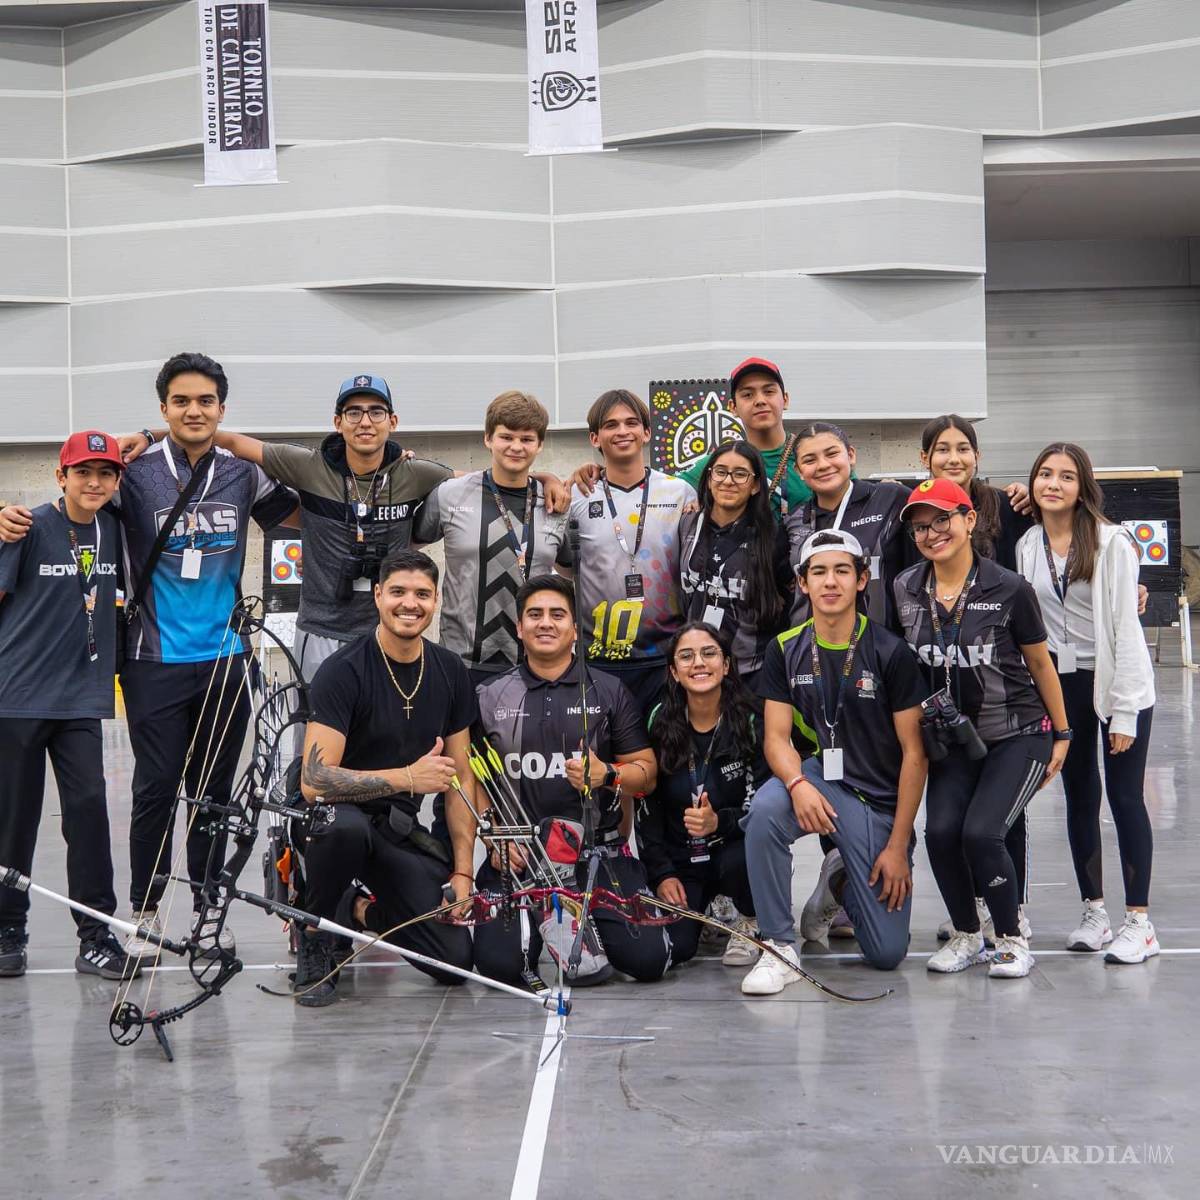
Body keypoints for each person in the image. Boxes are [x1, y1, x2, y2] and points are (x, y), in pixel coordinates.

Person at [0, 354, 297, 957]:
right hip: (151, 657)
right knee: (156, 788)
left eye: (206, 401)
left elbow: (297, 514)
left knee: (215, 792)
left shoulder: (242, 472)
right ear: (163, 408)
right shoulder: (132, 472)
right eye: (181, 402)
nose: (194, 411)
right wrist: (10, 518)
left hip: (225, 657)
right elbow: (73, 509)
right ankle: (148, 908)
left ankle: (211, 909)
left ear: (221, 409)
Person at [894, 478, 1072, 979]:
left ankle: (1011, 938)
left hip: (1018, 732)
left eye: (942, 520)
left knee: (982, 832)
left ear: (970, 520)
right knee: (941, 832)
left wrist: (1062, 733)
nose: (932, 534)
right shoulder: (905, 588)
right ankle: (968, 934)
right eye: (920, 527)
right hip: (953, 739)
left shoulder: (1009, 587)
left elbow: (1040, 665)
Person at [739, 530, 928, 994]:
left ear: (862, 579)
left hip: (877, 801)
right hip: (822, 779)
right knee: (765, 811)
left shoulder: (890, 652)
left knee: (885, 954)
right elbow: (777, 739)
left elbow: (915, 754)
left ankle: (837, 882)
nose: (830, 581)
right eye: (818, 571)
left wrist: (898, 845)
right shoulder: (784, 648)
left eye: (842, 570)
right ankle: (779, 946)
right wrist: (798, 783)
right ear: (802, 583)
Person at [295, 551, 478, 1007]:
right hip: (334, 819)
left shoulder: (451, 671)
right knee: (344, 829)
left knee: (453, 961)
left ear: (436, 602)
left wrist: (463, 870)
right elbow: (314, 781)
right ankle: (317, 933)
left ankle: (357, 910)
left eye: (422, 594)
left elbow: (461, 779)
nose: (409, 604)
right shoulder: (344, 670)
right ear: (378, 596)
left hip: (394, 829)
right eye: (397, 592)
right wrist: (408, 778)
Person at [472, 575, 667, 989]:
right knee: (500, 968)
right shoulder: (490, 697)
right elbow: (472, 780)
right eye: (535, 615)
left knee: (648, 962)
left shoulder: (610, 690)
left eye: (557, 615)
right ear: (520, 628)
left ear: (575, 629)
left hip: (599, 855)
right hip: (519, 858)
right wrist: (495, 840)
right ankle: (544, 922)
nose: (546, 623)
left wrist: (608, 774)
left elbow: (646, 773)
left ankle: (588, 918)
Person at [0, 433, 139, 981]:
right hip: (17, 696)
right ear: (61, 477)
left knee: (88, 815)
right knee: (14, 822)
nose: (94, 483)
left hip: (82, 697)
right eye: (83, 472)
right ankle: (8, 928)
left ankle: (96, 933)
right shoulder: (26, 527)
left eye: (105, 473)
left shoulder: (116, 530)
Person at [1017, 443, 1158, 964]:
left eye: (1066, 476)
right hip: (1065, 686)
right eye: (1045, 474)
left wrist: (1123, 712)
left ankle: (1139, 922)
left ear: (1083, 488)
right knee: (1079, 795)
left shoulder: (1111, 542)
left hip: (1118, 681)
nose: (1053, 484)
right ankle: (1094, 911)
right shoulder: (1029, 544)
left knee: (1124, 800)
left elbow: (1125, 628)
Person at [921, 414, 1035, 943]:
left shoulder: (1008, 508)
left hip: (1005, 675)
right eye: (941, 449)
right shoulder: (920, 510)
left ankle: (1013, 904)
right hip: (948, 682)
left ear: (978, 456)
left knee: (1004, 811)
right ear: (925, 459)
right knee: (956, 813)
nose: (953, 457)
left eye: (962, 448)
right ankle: (973, 910)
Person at [414, 391, 568, 686]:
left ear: (540, 445)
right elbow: (406, 542)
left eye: (526, 439)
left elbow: (572, 570)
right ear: (488, 439)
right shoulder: (450, 494)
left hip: (534, 665)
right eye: (506, 437)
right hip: (460, 662)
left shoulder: (556, 505)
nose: (516, 447)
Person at [639, 622, 768, 969]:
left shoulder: (752, 719)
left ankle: (750, 918)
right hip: (685, 859)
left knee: (741, 858)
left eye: (709, 653)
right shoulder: (657, 720)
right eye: (687, 656)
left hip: (735, 849)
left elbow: (764, 805)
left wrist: (718, 822)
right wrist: (662, 873)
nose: (698, 663)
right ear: (674, 671)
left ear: (726, 665)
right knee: (677, 949)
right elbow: (646, 804)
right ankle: (710, 906)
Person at [560, 389, 695, 716]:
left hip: (665, 657)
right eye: (611, 425)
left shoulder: (678, 492)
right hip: (599, 658)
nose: (622, 431)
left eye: (632, 423)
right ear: (595, 437)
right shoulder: (576, 497)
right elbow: (565, 568)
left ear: (646, 432)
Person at [572, 357, 812, 521]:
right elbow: (652, 489)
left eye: (769, 391)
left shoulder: (814, 457)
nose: (760, 400)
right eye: (747, 394)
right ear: (732, 407)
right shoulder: (714, 467)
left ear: (786, 399)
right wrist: (594, 472)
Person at [677, 441, 793, 690]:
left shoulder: (772, 536)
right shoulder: (687, 524)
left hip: (752, 671)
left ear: (754, 486)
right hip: (697, 669)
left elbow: (789, 599)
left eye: (741, 474)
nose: (728, 481)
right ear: (708, 479)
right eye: (720, 471)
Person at [784, 422, 916, 631]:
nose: (823, 465)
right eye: (810, 460)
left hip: (879, 645)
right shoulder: (794, 519)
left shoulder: (891, 499)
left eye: (832, 453)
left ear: (851, 454)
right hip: (811, 648)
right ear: (799, 471)